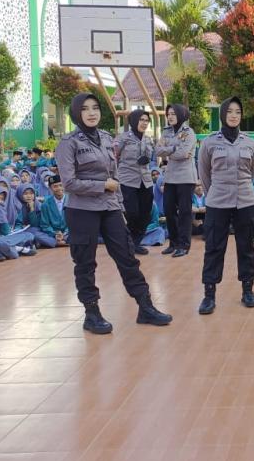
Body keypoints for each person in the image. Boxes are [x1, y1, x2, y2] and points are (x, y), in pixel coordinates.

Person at [56, 93, 172, 335]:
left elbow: (116, 176)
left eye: (95, 108)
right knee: (85, 262)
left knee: (127, 256)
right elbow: (69, 183)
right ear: (77, 113)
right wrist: (101, 186)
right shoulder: (69, 143)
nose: (91, 113)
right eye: (85, 109)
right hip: (82, 210)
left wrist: (118, 205)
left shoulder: (108, 139)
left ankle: (145, 306)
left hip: (109, 208)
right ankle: (92, 313)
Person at [197, 96, 254, 313]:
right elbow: (204, 174)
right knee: (214, 247)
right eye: (230, 112)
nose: (234, 116)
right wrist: (213, 193)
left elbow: (252, 171)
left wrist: (242, 188)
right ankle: (209, 294)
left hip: (246, 201)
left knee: (247, 246)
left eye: (238, 112)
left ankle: (248, 289)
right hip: (218, 201)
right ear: (222, 114)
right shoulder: (209, 143)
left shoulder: (250, 143)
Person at [155, 104, 198, 257]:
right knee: (168, 210)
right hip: (170, 177)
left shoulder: (189, 132)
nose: (170, 116)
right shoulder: (166, 132)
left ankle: (184, 245)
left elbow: (185, 152)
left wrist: (169, 150)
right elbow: (158, 150)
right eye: (168, 114)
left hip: (186, 177)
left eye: (173, 113)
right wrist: (174, 149)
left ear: (180, 114)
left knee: (185, 212)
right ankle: (173, 243)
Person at [114, 109, 154, 255]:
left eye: (146, 120)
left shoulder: (149, 139)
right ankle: (127, 242)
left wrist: (148, 159)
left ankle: (136, 243)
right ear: (134, 120)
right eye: (141, 120)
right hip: (128, 180)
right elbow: (114, 157)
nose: (144, 123)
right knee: (131, 213)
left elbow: (153, 157)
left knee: (146, 213)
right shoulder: (123, 138)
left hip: (146, 181)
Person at [15, 184, 59, 248]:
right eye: (25, 194)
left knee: (35, 233)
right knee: (27, 235)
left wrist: (32, 209)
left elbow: (35, 224)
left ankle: (49, 242)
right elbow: (16, 224)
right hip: (21, 231)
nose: (29, 196)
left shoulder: (38, 205)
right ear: (20, 194)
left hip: (37, 230)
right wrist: (21, 228)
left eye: (31, 193)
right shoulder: (16, 205)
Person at [39, 175, 69, 246]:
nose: (59, 188)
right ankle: (61, 241)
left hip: (70, 233)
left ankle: (60, 241)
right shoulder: (45, 204)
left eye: (60, 185)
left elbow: (75, 222)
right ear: (50, 188)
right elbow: (45, 225)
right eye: (55, 186)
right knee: (38, 236)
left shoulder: (72, 201)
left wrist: (65, 233)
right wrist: (55, 234)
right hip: (53, 234)